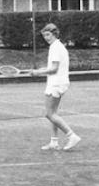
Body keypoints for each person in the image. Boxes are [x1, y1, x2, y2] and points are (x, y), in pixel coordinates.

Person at [30, 23, 81, 151]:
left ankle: (72, 136)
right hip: (55, 82)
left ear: (54, 34)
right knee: (53, 113)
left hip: (57, 83)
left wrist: (38, 73)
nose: (46, 37)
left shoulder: (56, 47)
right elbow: (50, 67)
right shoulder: (56, 46)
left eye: (48, 34)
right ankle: (54, 142)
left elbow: (54, 69)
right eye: (44, 35)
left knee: (49, 113)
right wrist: (37, 70)